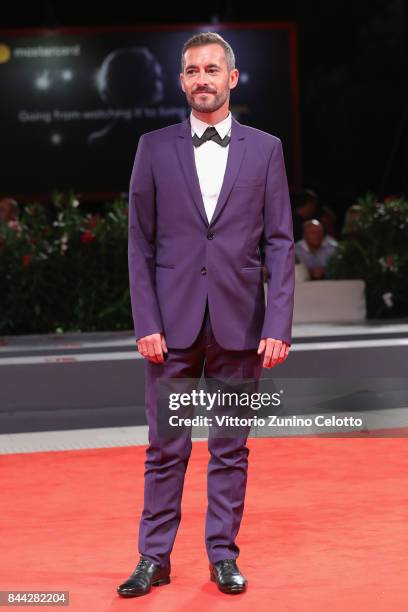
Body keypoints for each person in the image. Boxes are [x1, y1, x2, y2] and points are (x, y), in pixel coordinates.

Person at [117, 31, 295, 598]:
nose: (201, 79)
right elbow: (138, 243)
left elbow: (281, 243)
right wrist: (146, 321)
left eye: (211, 69)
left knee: (230, 448)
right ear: (181, 81)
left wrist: (278, 323)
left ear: (232, 78)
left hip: (241, 325)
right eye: (192, 70)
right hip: (169, 327)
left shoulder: (266, 149)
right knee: (165, 447)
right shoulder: (154, 147)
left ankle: (222, 556)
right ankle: (154, 557)